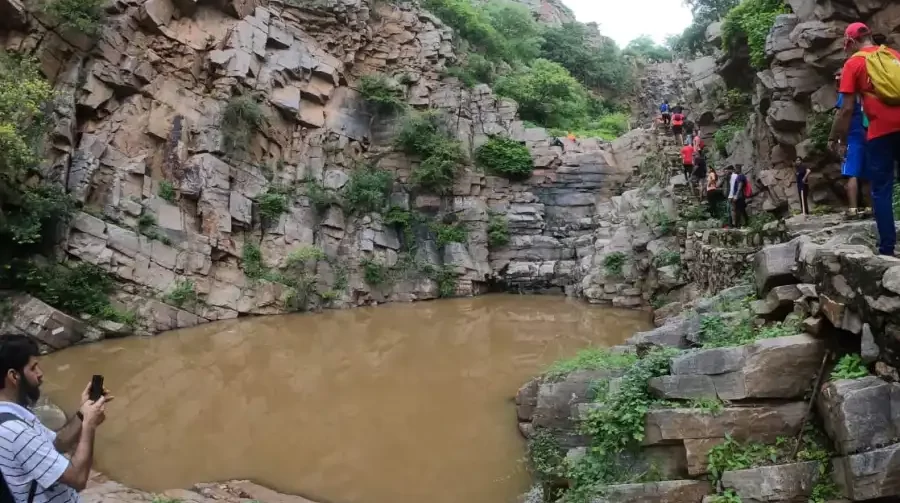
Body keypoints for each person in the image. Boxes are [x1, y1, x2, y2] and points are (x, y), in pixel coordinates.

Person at [0, 335, 111, 503]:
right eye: (33, 368)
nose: (40, 374)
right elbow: (78, 478)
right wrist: (90, 425)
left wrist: (82, 413)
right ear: (14, 376)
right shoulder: (15, 431)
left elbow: (56, 443)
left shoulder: (13, 415)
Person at [830, 22, 900, 256]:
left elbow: (847, 109)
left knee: (881, 190)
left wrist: (836, 137)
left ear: (850, 42)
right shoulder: (893, 54)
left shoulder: (854, 63)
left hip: (880, 132)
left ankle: (888, 248)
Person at [834, 69, 868, 218]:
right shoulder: (864, 92)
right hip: (868, 136)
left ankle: (853, 209)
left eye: (839, 75)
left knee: (851, 174)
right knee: (867, 174)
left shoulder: (846, 93)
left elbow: (842, 116)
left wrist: (839, 140)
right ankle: (869, 208)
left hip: (852, 138)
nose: (837, 78)